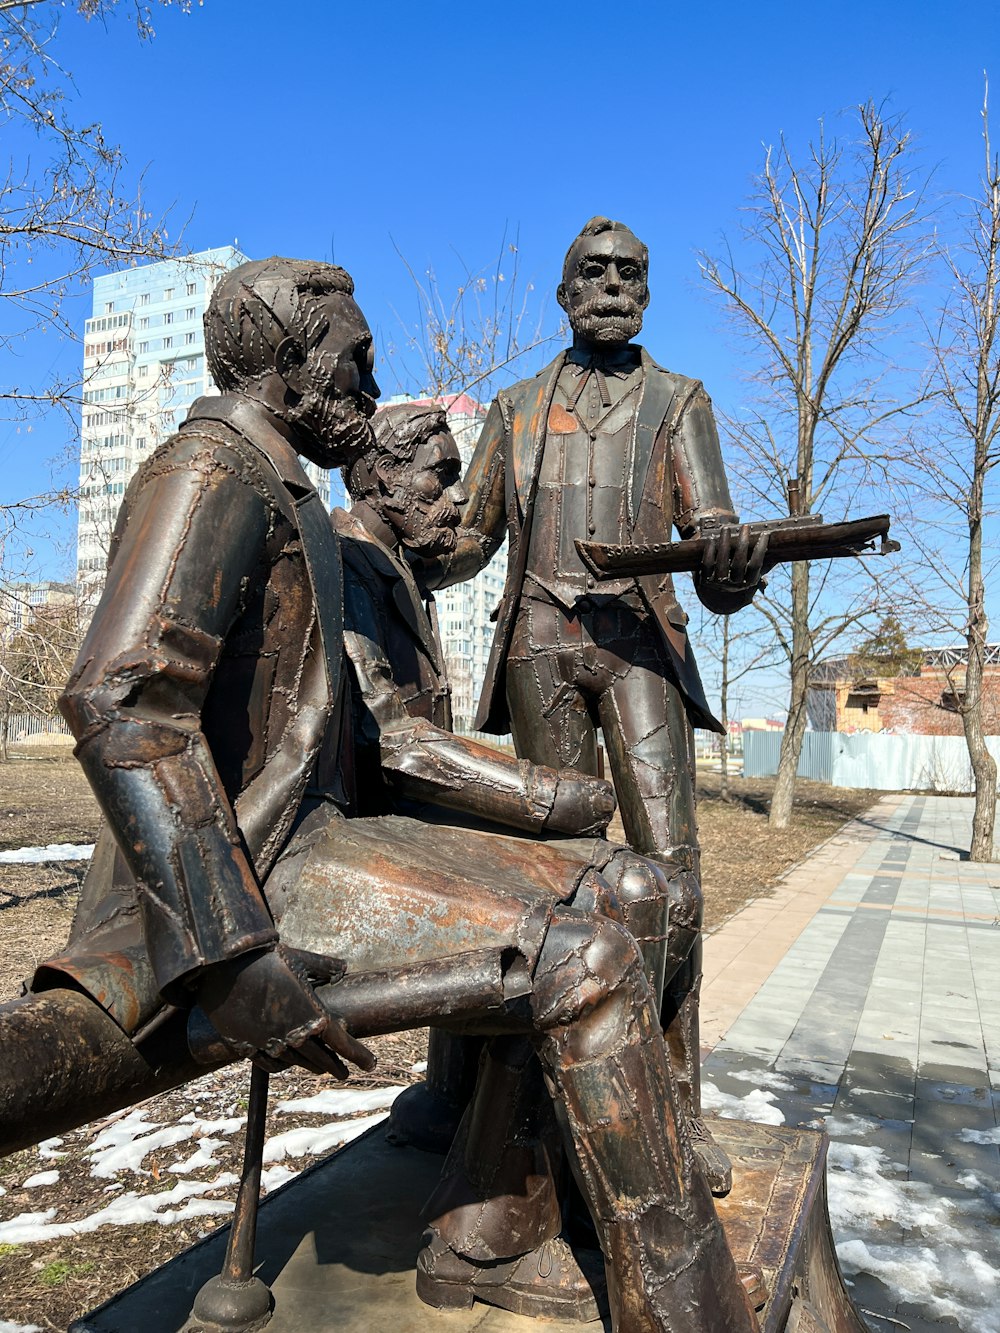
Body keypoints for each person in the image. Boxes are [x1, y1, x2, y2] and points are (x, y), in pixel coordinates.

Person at [46, 258, 758, 1333]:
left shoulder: (275, 480)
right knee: (583, 945)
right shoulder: (208, 471)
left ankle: (503, 1225)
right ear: (289, 365)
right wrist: (227, 950)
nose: (374, 394)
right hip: (241, 881)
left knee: (618, 886)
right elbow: (118, 699)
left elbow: (359, 724)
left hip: (301, 843)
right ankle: (683, 1305)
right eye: (356, 364)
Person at [418, 216, 769, 1193]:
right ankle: (544, 1116)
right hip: (539, 653)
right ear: (564, 291)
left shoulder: (677, 400)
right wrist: (383, 537)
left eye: (630, 273)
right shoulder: (516, 407)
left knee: (672, 874)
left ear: (646, 293)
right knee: (559, 881)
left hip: (639, 651)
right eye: (593, 272)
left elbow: (714, 548)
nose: (612, 286)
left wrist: (732, 566)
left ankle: (677, 1109)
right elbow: (467, 541)